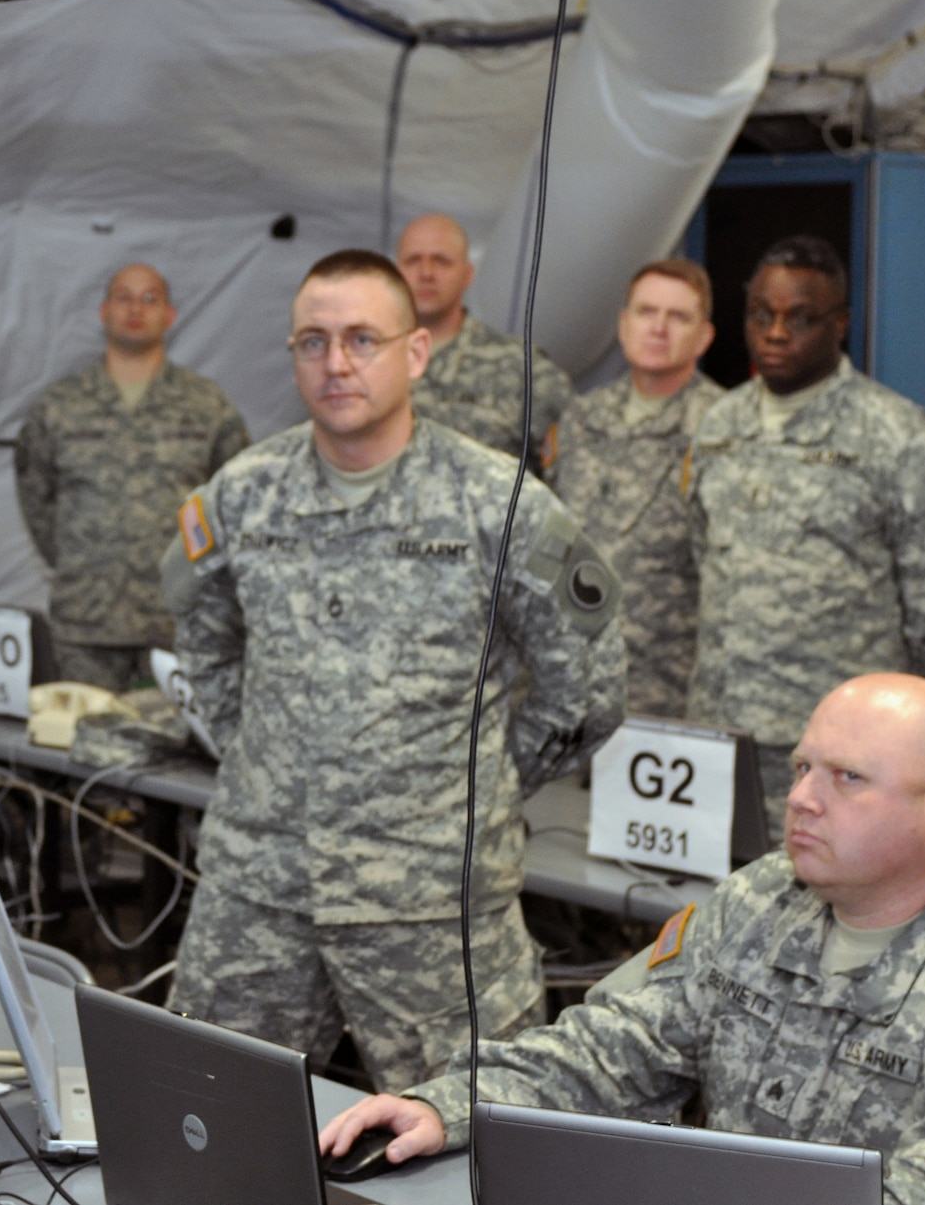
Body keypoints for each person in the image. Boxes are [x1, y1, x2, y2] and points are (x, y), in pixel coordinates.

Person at [321, 674, 925, 1205]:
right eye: (803, 767)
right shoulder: (761, 897)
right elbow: (618, 1047)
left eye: (846, 778)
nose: (802, 799)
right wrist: (451, 1102)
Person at [160, 249, 626, 1093]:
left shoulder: (499, 503)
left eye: (362, 339)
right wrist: (259, 753)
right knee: (211, 1126)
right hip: (261, 892)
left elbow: (586, 688)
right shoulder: (242, 493)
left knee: (478, 1150)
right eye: (313, 340)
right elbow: (201, 636)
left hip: (432, 903)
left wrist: (472, 785)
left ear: (415, 352)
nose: (336, 363)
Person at [687, 236, 925, 835]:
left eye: (800, 318)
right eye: (760, 316)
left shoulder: (893, 433)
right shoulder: (719, 422)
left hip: (836, 748)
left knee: (829, 911)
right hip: (722, 728)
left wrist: (883, 698)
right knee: (721, 911)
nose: (775, 333)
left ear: (840, 324)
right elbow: (704, 555)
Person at [13, 264, 250, 692]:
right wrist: (80, 558)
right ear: (104, 311)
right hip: (87, 625)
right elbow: (36, 496)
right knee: (80, 749)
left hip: (176, 620)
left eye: (149, 298)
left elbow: (233, 500)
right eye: (123, 297)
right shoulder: (60, 405)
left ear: (170, 315)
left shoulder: (206, 405)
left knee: (175, 753)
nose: (135, 309)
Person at [545, 259, 723, 717]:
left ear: (704, 337)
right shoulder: (582, 418)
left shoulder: (724, 428)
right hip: (570, 682)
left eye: (678, 316)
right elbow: (550, 542)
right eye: (646, 312)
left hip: (669, 689)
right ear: (624, 325)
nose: (658, 328)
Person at [397, 212, 573, 468]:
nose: (426, 273)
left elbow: (570, 468)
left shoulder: (521, 368)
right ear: (394, 273)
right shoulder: (363, 363)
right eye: (413, 261)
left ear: (468, 274)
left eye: (441, 261)